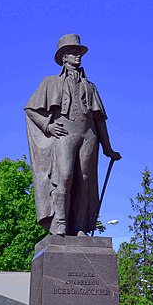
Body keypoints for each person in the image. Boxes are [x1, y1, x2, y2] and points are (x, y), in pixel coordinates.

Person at [25, 34, 121, 237]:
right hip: (64, 134)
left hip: (88, 136)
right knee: (65, 176)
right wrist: (48, 127)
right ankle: (60, 222)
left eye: (79, 53)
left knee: (85, 180)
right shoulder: (50, 83)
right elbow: (30, 110)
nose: (77, 56)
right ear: (63, 58)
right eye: (72, 53)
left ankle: (78, 226)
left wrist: (108, 148)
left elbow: (100, 120)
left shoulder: (91, 86)